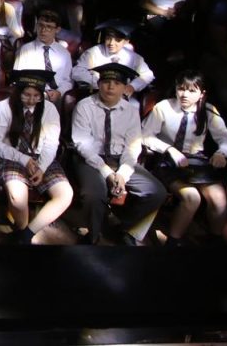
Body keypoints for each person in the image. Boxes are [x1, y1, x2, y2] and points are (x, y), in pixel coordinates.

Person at [71, 63, 167, 245]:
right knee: (94, 194)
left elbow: (133, 146)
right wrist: (107, 173)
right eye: (106, 82)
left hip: (120, 158)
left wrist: (123, 173)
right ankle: (93, 236)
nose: (111, 87)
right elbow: (83, 144)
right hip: (90, 159)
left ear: (125, 88)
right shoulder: (84, 106)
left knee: (156, 192)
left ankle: (123, 228)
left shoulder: (130, 111)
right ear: (98, 84)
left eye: (116, 83)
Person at [142, 70, 227, 246]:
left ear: (202, 94)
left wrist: (222, 152)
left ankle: (215, 240)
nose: (184, 94)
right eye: (181, 89)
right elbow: (145, 135)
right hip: (167, 160)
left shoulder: (208, 110)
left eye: (192, 91)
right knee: (192, 197)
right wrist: (169, 149)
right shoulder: (164, 107)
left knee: (219, 199)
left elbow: (226, 138)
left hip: (196, 162)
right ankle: (173, 241)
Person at [0, 70, 74, 244]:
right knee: (18, 197)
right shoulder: (3, 108)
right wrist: (24, 159)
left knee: (65, 194)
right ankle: (21, 228)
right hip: (11, 156)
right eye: (26, 95)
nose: (32, 100)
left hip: (41, 156)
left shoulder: (49, 109)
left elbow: (51, 143)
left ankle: (26, 235)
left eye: (36, 96)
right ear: (17, 92)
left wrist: (41, 167)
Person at [71, 20, 155, 101]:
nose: (111, 43)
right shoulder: (93, 53)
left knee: (134, 106)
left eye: (117, 40)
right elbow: (77, 71)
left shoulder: (134, 57)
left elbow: (147, 75)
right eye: (108, 38)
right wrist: (99, 82)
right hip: (96, 93)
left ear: (126, 41)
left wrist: (133, 86)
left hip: (122, 96)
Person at [13, 9, 73, 104]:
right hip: (34, 95)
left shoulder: (64, 53)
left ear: (57, 30)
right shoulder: (26, 50)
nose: (43, 30)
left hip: (58, 97)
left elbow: (67, 81)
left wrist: (59, 92)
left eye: (49, 27)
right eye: (41, 25)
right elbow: (19, 78)